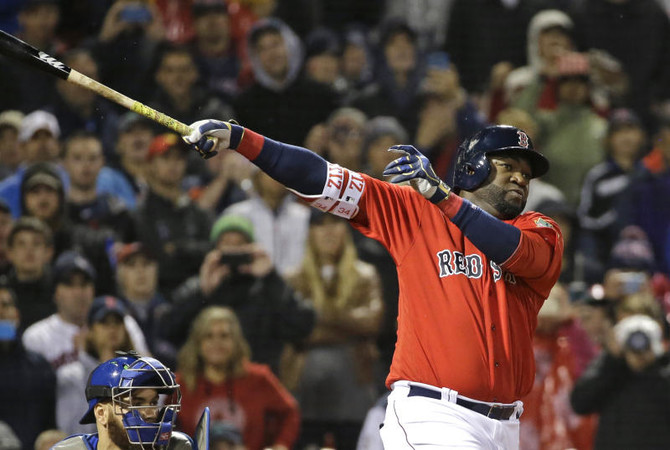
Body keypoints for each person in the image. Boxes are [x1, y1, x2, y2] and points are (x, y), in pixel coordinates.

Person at [182, 115, 563, 449]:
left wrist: (442, 197)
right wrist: (239, 138)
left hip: (506, 426)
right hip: (434, 414)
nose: (520, 178)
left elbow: (515, 251)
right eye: (508, 165)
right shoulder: (415, 212)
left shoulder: (539, 231)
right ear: (474, 168)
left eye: (526, 174)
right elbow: (320, 177)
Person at [163, 214, 315, 374]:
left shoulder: (267, 287)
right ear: (215, 250)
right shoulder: (200, 287)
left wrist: (271, 277)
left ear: (251, 248)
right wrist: (201, 292)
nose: (233, 250)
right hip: (206, 380)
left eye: (240, 244)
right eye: (227, 244)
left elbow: (302, 326)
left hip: (256, 382)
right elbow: (168, 332)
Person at [176, 306, 300, 450]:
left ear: (236, 341)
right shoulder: (180, 385)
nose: (217, 343)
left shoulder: (259, 379)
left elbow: (291, 412)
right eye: (208, 336)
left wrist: (281, 445)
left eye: (224, 336)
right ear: (198, 343)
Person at [52, 352, 195, 450]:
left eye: (153, 403)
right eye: (137, 404)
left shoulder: (178, 447)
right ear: (102, 413)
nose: (151, 414)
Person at [570, 313, 670, 450]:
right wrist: (612, 360)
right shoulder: (610, 370)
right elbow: (579, 403)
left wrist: (652, 367)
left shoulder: (664, 372)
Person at [0, 284, 56, 450]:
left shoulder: (39, 367)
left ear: (16, 314)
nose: (1, 312)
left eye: (5, 305)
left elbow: (49, 425)